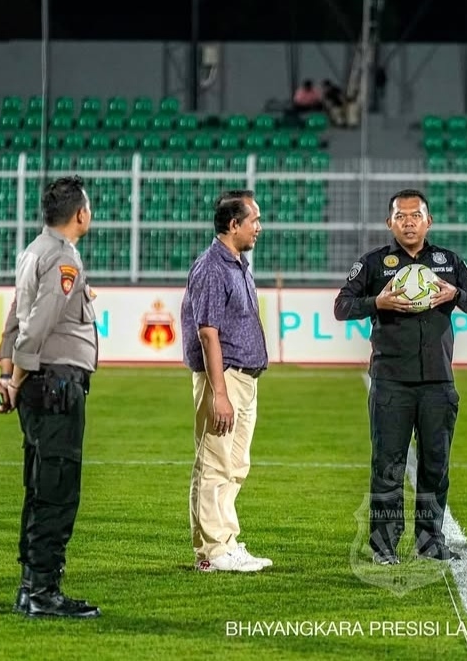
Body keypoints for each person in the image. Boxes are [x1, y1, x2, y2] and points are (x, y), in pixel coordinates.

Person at [334, 189, 467, 565]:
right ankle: (384, 547)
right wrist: (378, 303)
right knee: (387, 465)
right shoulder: (374, 263)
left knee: (436, 464)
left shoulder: (448, 262)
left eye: (415, 215)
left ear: (428, 221)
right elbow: (341, 306)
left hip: (438, 382)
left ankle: (430, 541)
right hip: (391, 382)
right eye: (400, 216)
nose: (408, 222)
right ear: (390, 223)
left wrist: (454, 294)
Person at [0, 175, 101, 616]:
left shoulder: (34, 251)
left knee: (39, 485)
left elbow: (17, 315)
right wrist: (14, 380)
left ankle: (31, 583)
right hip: (55, 385)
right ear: (79, 213)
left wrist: (5, 370)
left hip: (41, 384)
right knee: (56, 489)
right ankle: (42, 591)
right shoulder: (61, 258)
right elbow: (37, 325)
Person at [181, 189, 271, 573]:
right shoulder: (213, 267)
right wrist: (219, 392)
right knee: (215, 463)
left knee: (235, 465)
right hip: (225, 378)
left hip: (242, 379)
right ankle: (213, 551)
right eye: (254, 221)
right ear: (234, 225)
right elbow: (208, 332)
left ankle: (227, 542)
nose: (259, 228)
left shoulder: (236, 264)